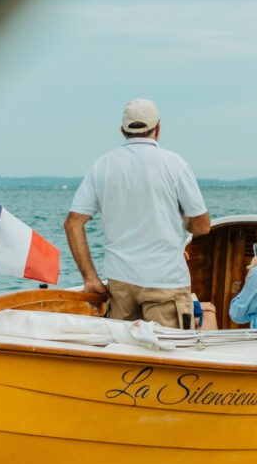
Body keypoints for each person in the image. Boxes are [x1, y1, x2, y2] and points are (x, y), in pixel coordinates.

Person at [63, 99, 210, 326]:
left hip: (120, 283)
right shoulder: (174, 163)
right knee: (167, 355)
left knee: (123, 353)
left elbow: (73, 223)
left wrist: (90, 278)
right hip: (166, 281)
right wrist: (184, 223)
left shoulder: (102, 165)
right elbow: (202, 226)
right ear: (158, 128)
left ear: (123, 130)